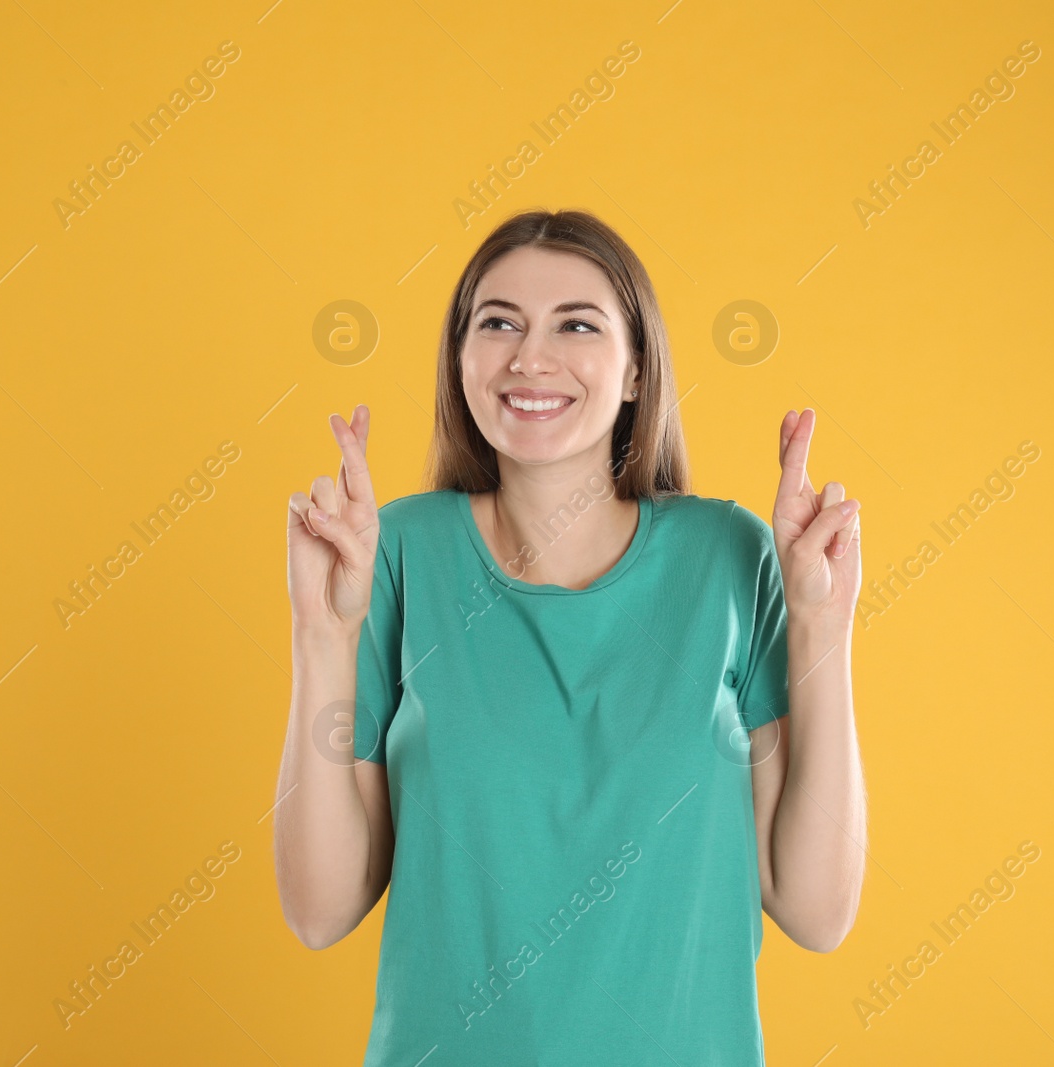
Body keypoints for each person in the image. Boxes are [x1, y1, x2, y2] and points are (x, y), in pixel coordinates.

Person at [276, 208, 866, 1065]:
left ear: (635, 372)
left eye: (577, 324)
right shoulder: (394, 553)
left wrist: (823, 624)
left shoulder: (728, 557)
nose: (529, 356)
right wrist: (321, 634)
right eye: (499, 323)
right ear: (462, 360)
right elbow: (319, 909)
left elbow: (816, 910)